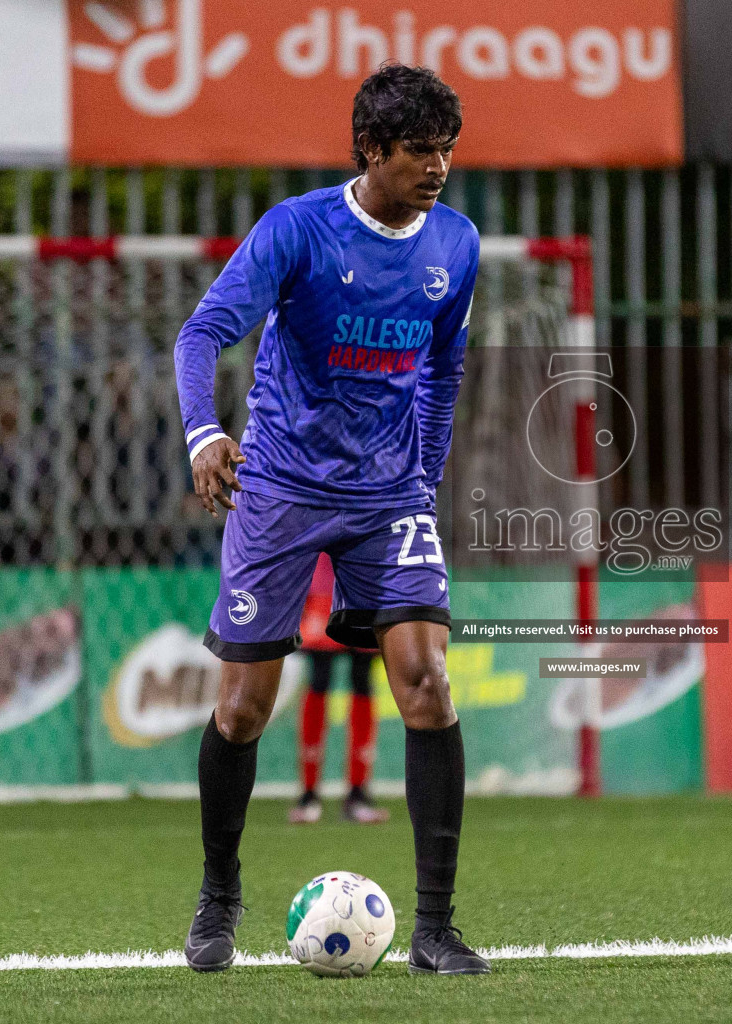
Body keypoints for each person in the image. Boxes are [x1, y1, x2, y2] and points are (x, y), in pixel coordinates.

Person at [174, 64, 489, 975]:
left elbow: (443, 370)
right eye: (420, 152)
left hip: (388, 497)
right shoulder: (298, 232)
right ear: (371, 151)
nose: (438, 168)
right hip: (277, 488)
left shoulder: (456, 246)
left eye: (447, 150)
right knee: (242, 710)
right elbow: (203, 335)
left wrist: (422, 481)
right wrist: (204, 436)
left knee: (426, 681)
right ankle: (219, 898)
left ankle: (435, 929)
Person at [289, 553, 388, 825]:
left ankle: (358, 793)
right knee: (320, 679)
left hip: (365, 581)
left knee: (362, 679)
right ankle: (309, 794)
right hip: (322, 583)